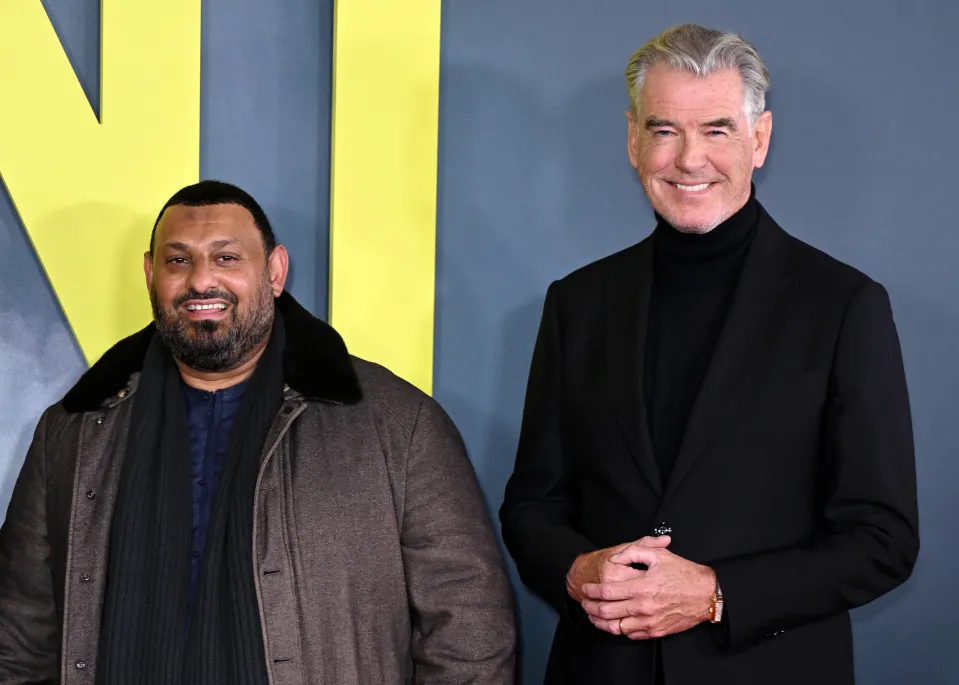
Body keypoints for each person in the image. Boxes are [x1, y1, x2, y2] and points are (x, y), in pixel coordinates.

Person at [499, 22, 918, 685]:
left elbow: (882, 539)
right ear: (633, 140)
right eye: (665, 130)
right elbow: (532, 506)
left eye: (716, 129)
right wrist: (576, 570)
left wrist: (716, 594)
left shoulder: (841, 305)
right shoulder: (576, 302)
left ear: (759, 139)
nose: (688, 159)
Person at [0, 180, 516, 685]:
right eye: (178, 260)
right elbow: (20, 635)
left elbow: (468, 627)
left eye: (227, 258)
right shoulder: (73, 432)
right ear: (149, 274)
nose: (201, 281)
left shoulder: (396, 425)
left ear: (274, 272)